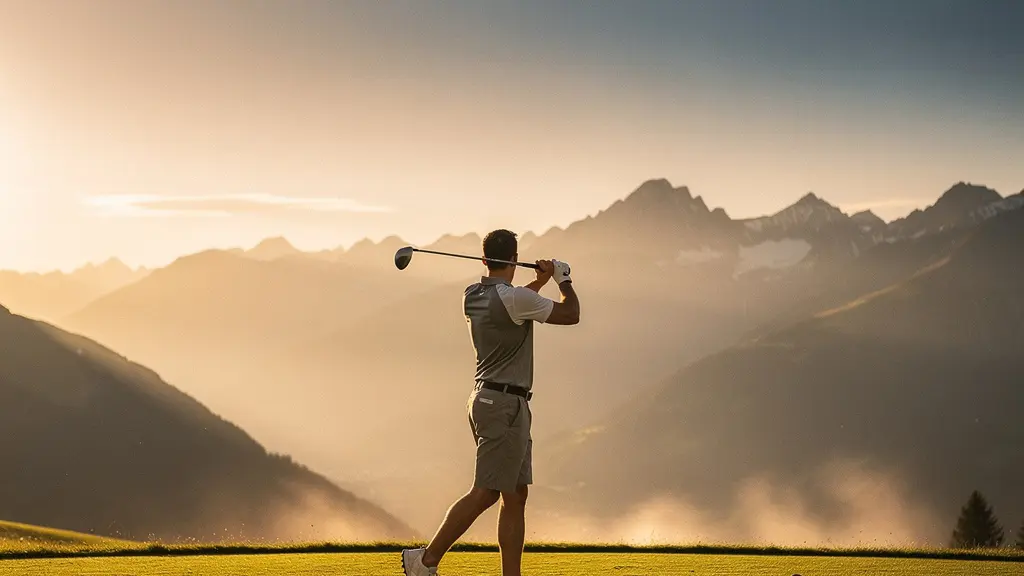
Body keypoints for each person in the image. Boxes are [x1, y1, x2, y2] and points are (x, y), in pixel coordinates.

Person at [402, 229, 580, 576]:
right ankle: (424, 561)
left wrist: (537, 283)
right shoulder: (515, 299)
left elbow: (514, 304)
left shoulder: (472, 295)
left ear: (484, 260)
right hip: (505, 406)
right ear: (514, 259)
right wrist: (563, 278)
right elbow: (570, 313)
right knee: (486, 492)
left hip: (486, 399)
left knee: (515, 495)